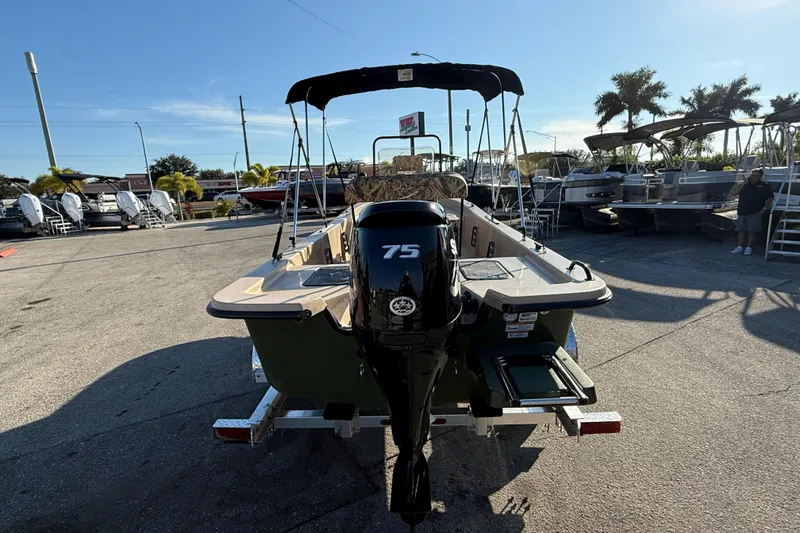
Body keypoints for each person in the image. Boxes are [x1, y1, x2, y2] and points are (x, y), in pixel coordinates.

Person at [730, 168, 773, 256]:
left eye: (755, 175)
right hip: (742, 210)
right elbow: (734, 193)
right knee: (740, 229)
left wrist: (764, 208)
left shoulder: (765, 186)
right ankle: (739, 247)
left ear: (760, 176)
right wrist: (744, 183)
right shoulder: (745, 185)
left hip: (755, 211)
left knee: (751, 230)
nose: (752, 177)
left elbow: (770, 198)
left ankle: (749, 247)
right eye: (752, 175)